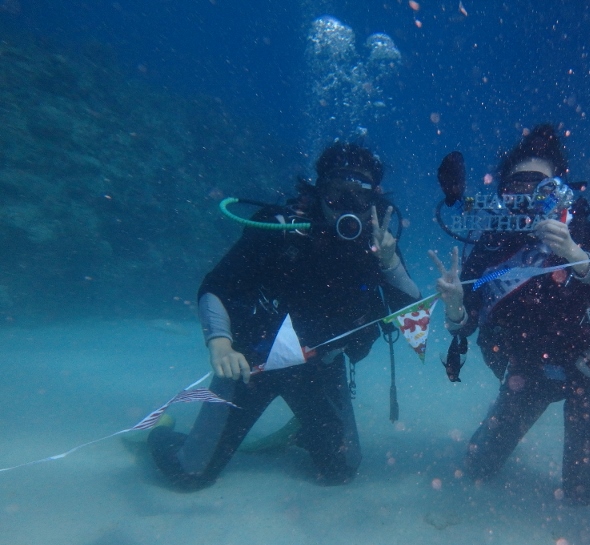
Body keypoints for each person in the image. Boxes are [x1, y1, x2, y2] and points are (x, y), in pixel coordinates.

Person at [147, 142, 421, 491]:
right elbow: (217, 286)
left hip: (320, 369)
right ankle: (161, 431)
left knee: (340, 470)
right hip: (251, 366)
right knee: (190, 473)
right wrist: (220, 343)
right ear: (319, 189)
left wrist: (390, 263)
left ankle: (307, 429)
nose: (347, 204)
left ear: (374, 198)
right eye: (337, 191)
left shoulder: (379, 242)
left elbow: (412, 318)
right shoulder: (277, 227)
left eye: (359, 194)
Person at [430, 124, 590, 505]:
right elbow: (466, 322)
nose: (527, 197)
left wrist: (576, 256)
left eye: (540, 187)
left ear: (559, 190)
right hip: (529, 372)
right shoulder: (492, 244)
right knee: (477, 465)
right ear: (503, 193)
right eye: (516, 187)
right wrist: (455, 305)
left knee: (581, 491)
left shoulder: (579, 231)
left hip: (588, 371)